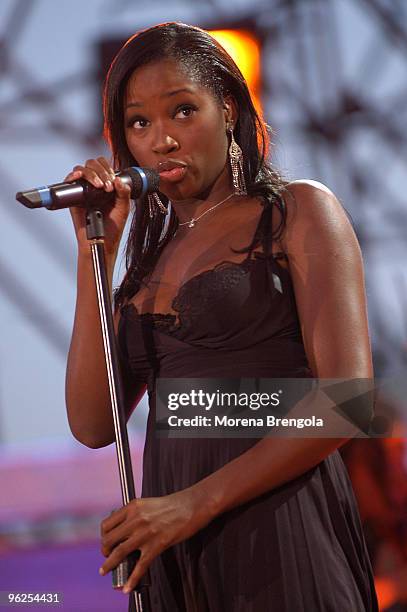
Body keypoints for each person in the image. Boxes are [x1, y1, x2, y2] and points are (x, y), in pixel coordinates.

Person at [65, 22, 378, 611]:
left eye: (183, 111)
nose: (161, 141)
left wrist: (194, 504)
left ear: (229, 109)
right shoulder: (143, 264)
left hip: (281, 531)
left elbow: (347, 402)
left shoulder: (297, 211)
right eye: (139, 122)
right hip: (177, 549)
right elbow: (91, 423)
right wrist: (94, 253)